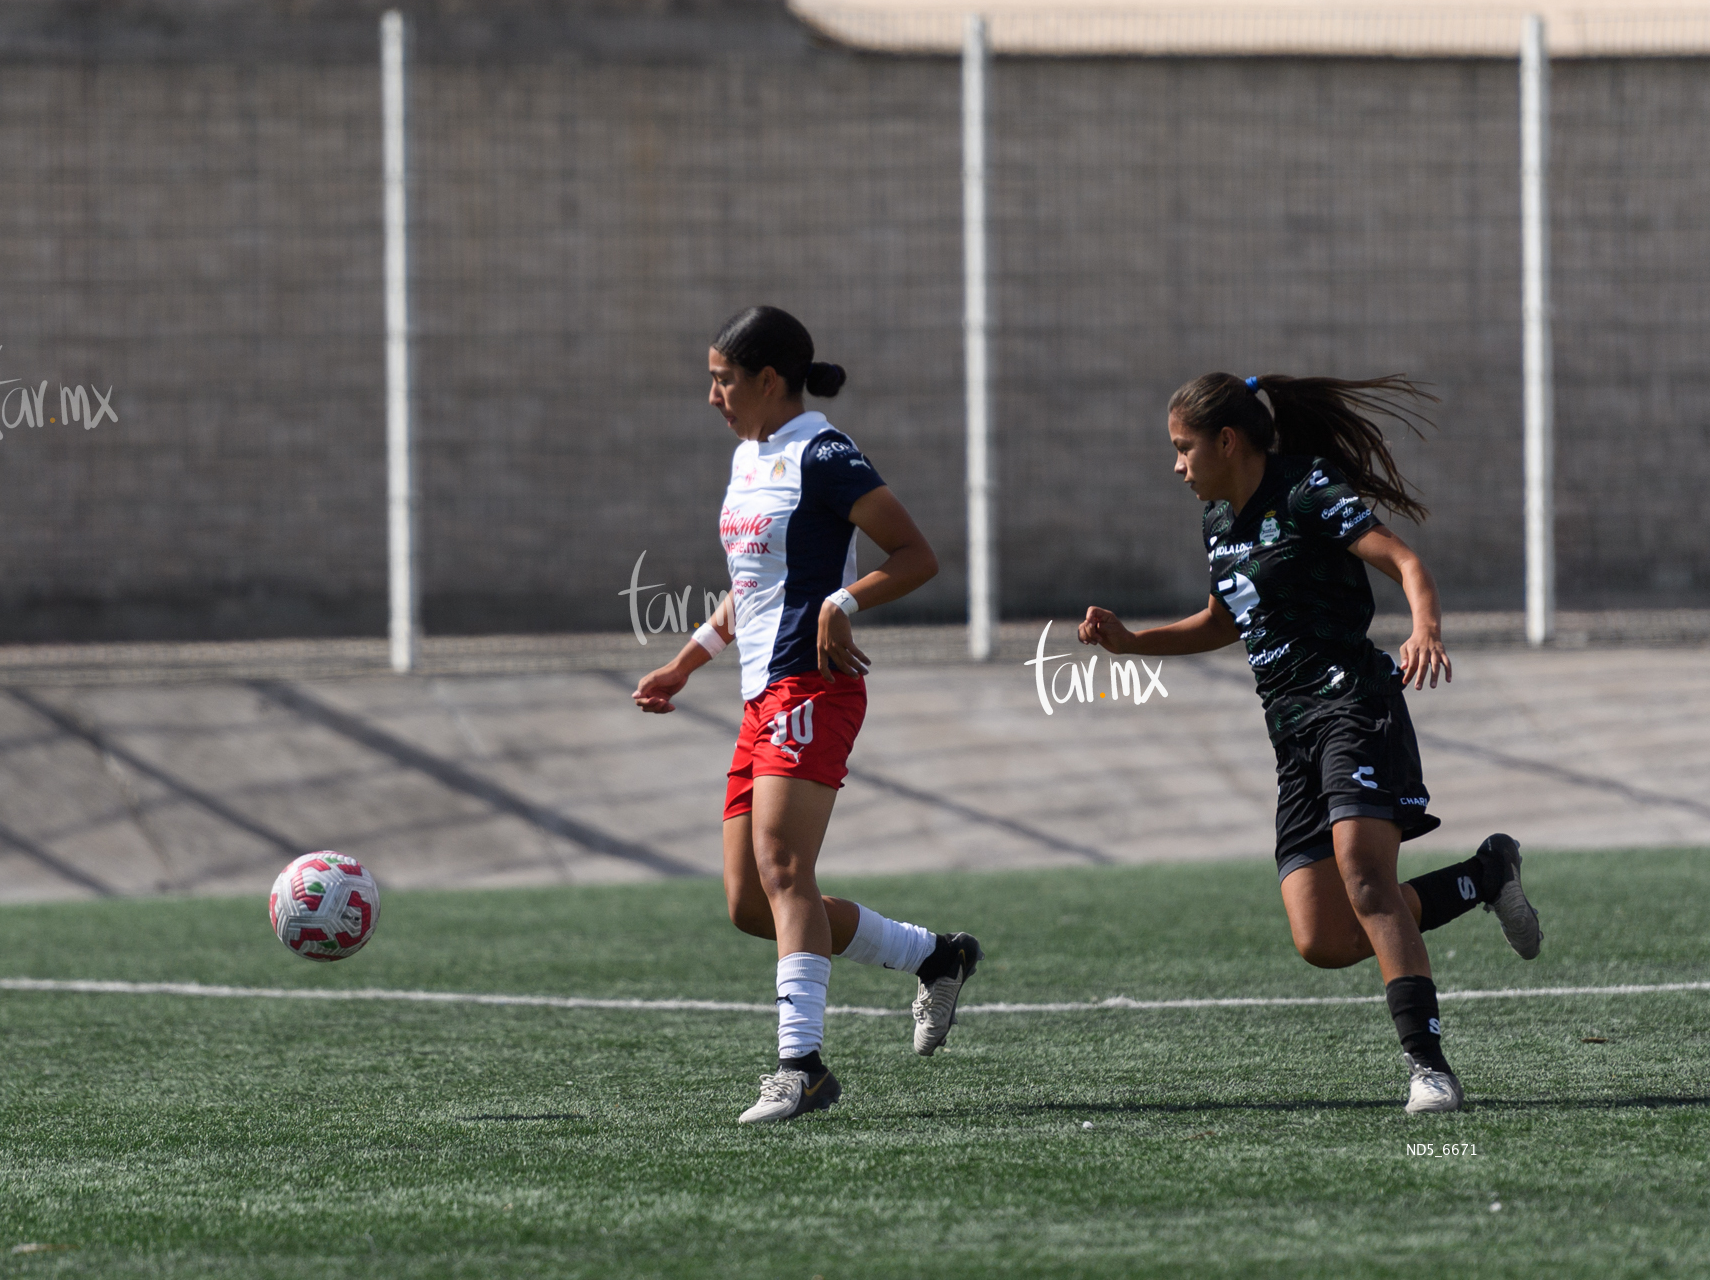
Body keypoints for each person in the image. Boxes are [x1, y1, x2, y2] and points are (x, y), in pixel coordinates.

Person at [1077, 372, 1543, 1115]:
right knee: (1324, 938)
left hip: (1355, 706)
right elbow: (1225, 618)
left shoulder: (1305, 491)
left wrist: (1424, 627)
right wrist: (1134, 643)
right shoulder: (1219, 520)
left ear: (1226, 441)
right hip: (1290, 736)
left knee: (1365, 878)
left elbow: (1405, 562)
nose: (1176, 465)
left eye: (1182, 448)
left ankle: (1430, 1070)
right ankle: (1485, 876)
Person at [633, 306, 984, 1125]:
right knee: (752, 903)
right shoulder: (748, 457)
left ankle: (803, 1066)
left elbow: (917, 556)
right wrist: (687, 662)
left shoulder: (824, 453)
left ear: (766, 379)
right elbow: (751, 589)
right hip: (762, 696)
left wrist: (843, 599)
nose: (711, 394)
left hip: (815, 688)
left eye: (722, 378)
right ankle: (937, 955)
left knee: (785, 869)